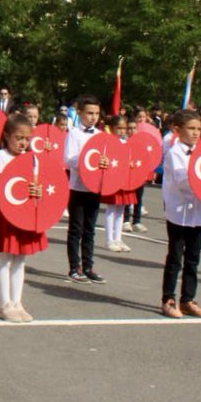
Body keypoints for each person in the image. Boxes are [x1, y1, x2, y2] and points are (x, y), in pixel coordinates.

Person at [0, 113, 46, 323]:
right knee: (5, 258)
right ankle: (5, 304)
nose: (23, 143)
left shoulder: (33, 158)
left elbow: (37, 184)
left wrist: (36, 190)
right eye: (19, 138)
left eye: (27, 139)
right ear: (7, 136)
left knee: (20, 259)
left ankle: (17, 302)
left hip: (24, 214)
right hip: (6, 213)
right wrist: (16, 183)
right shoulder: (0, 156)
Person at [160, 109, 201, 319]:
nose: (195, 133)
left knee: (193, 258)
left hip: (197, 212)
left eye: (198, 129)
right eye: (191, 128)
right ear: (177, 129)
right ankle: (168, 299)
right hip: (178, 211)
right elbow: (183, 181)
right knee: (175, 257)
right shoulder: (174, 153)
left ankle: (188, 299)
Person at [63, 95, 105, 283]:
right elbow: (68, 159)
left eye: (96, 113)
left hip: (94, 188)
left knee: (90, 229)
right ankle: (74, 267)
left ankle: (88, 266)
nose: (93, 117)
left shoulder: (100, 135)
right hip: (78, 188)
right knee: (76, 229)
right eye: (89, 113)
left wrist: (104, 162)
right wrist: (88, 161)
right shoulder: (74, 134)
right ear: (79, 112)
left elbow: (107, 157)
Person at [101, 114, 137, 253]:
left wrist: (130, 163)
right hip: (113, 179)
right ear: (112, 128)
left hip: (124, 181)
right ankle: (109, 239)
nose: (122, 131)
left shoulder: (126, 143)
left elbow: (129, 158)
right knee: (111, 209)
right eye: (119, 128)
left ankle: (118, 238)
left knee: (121, 210)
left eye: (124, 128)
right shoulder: (108, 142)